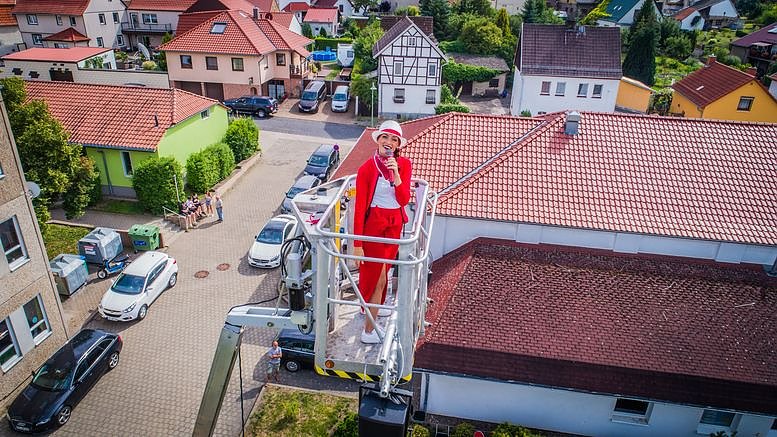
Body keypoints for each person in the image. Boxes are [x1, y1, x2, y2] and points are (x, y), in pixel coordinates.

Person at [352, 120, 412, 344]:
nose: (389, 142)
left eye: (394, 139)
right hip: (374, 225)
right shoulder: (366, 169)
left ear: (398, 145)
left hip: (394, 224)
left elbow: (404, 199)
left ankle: (373, 306)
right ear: (378, 140)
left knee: (385, 269)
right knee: (375, 275)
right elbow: (359, 209)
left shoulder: (403, 164)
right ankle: (369, 331)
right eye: (385, 137)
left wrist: (396, 176)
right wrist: (357, 244)